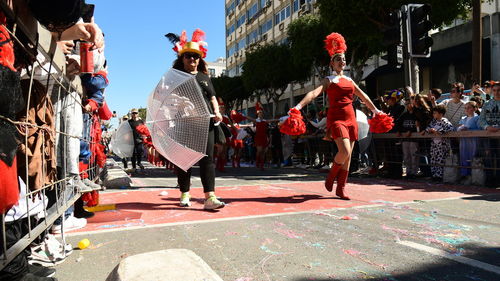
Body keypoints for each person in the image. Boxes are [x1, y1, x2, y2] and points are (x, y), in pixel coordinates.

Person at [292, 32, 382, 200]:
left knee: (348, 157)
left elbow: (364, 97)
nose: (342, 61)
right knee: (345, 151)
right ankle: (331, 176)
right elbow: (313, 93)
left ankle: (341, 188)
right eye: (338, 59)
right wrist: (298, 106)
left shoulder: (350, 80)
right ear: (331, 62)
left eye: (344, 59)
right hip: (336, 118)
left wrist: (376, 111)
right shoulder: (328, 80)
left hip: (351, 118)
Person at [167, 29, 225, 209]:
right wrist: (180, 103)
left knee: (208, 159)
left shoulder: (204, 77)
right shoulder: (175, 77)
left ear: (200, 59)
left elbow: (212, 97)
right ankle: (185, 193)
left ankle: (210, 197)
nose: (192, 59)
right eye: (188, 56)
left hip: (205, 123)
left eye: (195, 56)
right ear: (182, 58)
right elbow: (167, 99)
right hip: (184, 123)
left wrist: (217, 111)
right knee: (186, 160)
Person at [421, 105, 454, 182]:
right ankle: (434, 175)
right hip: (434, 144)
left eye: (435, 113)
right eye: (433, 113)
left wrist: (438, 132)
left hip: (442, 145)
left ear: (441, 114)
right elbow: (428, 127)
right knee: (433, 159)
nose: (433, 115)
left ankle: (439, 176)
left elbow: (450, 128)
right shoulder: (433, 121)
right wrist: (426, 131)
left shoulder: (445, 121)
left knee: (440, 160)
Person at [478, 82, 500, 187]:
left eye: (498, 90)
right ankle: (490, 180)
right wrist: (487, 127)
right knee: (488, 159)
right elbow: (480, 120)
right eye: (494, 90)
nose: (496, 92)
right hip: (488, 135)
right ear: (491, 91)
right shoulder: (487, 104)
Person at [457, 101, 480, 183]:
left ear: (475, 109)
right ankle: (465, 176)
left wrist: (469, 130)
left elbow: (480, 129)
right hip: (464, 142)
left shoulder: (478, 118)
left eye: (469, 107)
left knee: (473, 156)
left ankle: (475, 176)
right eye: (465, 108)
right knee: (464, 157)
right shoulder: (463, 119)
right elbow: (458, 128)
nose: (466, 109)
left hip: (473, 141)